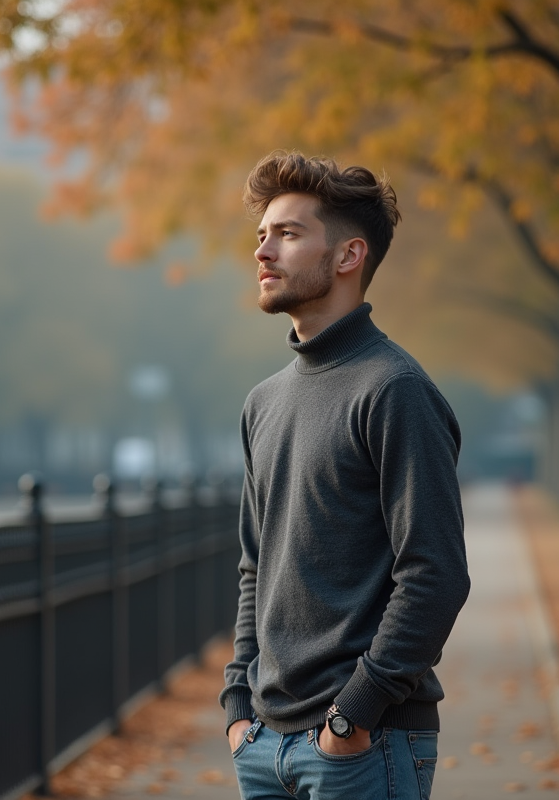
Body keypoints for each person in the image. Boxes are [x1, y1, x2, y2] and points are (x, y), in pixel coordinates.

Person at [220, 151, 470, 800]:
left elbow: (435, 572)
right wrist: (238, 705)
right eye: (261, 235)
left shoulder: (395, 390)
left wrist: (353, 712)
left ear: (348, 256)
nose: (264, 252)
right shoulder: (263, 402)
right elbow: (256, 566)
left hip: (364, 743)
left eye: (288, 234)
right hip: (263, 745)